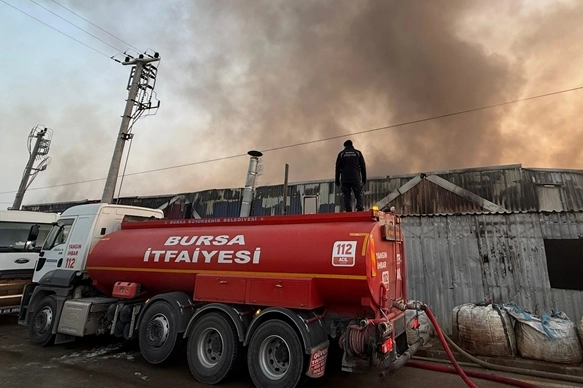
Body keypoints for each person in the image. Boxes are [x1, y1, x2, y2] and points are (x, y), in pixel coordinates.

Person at [335, 140, 366, 212]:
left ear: (345, 146)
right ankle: (359, 207)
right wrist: (364, 178)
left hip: (345, 178)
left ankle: (348, 209)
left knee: (346, 195)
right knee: (358, 193)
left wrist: (337, 179)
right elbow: (363, 167)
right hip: (355, 177)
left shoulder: (341, 154)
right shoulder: (358, 153)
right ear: (352, 145)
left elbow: (337, 168)